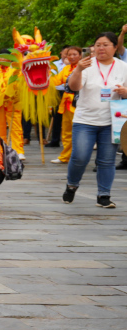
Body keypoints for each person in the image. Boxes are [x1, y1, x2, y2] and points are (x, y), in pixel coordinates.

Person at [63, 32, 127, 208]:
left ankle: (104, 195)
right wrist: (78, 69)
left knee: (107, 160)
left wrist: (125, 92)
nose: (101, 48)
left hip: (112, 121)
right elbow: (74, 87)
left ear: (115, 47)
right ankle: (72, 185)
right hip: (85, 120)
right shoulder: (87, 66)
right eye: (98, 44)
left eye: (106, 45)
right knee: (80, 156)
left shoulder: (123, 66)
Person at [52, 45, 80, 164]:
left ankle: (78, 156)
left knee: (78, 132)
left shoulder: (84, 68)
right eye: (69, 55)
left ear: (80, 55)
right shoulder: (66, 68)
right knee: (66, 131)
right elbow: (56, 81)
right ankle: (65, 156)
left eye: (75, 54)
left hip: (79, 103)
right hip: (67, 103)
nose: (72, 57)